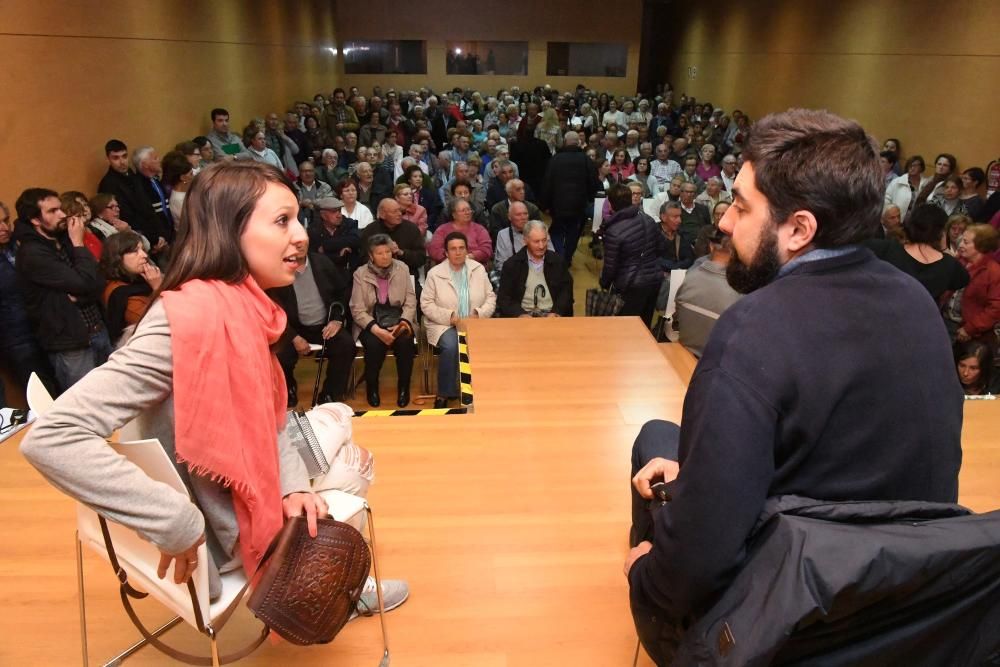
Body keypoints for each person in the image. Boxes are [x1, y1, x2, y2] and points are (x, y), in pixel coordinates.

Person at [625, 109, 962, 664]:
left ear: (800, 229)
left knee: (652, 444)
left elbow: (701, 558)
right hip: (903, 604)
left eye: (741, 205)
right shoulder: (916, 303)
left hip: (783, 622)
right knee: (667, 440)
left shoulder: (751, 332)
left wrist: (644, 576)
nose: (726, 223)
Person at [21, 161, 407, 614]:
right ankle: (315, 582)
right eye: (281, 221)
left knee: (336, 436)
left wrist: (292, 487)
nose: (301, 235)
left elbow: (271, 418)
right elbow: (50, 439)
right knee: (349, 446)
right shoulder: (183, 321)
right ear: (229, 231)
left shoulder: (236, 304)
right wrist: (174, 521)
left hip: (235, 490)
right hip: (220, 526)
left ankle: (322, 574)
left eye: (297, 220)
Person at [15, 188, 111, 391]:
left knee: (117, 394)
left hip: (98, 330)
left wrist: (83, 297)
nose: (62, 215)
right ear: (35, 220)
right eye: (53, 211)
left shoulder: (63, 239)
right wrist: (78, 243)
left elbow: (99, 279)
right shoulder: (32, 254)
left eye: (60, 209)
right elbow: (83, 283)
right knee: (87, 406)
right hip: (71, 345)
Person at [420, 232, 496, 408]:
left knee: (488, 344)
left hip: (475, 322)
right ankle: (445, 393)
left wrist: (479, 314)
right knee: (452, 345)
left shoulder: (478, 269)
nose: (458, 252)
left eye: (462, 248)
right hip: (444, 325)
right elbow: (426, 304)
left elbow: (490, 297)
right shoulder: (435, 274)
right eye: (453, 249)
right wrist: (450, 317)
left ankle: (484, 392)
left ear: (467, 250)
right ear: (446, 253)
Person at [271, 250, 355, 406]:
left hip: (324, 324)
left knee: (345, 345)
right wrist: (293, 337)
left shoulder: (322, 263)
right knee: (280, 353)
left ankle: (330, 393)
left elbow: (343, 290)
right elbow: (273, 308)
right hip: (292, 327)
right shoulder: (277, 269)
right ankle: (288, 387)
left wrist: (337, 319)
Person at [350, 234, 417, 408]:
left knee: (405, 343)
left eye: (388, 251)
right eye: (380, 253)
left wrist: (403, 323)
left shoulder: (402, 268)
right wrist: (377, 330)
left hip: (399, 320)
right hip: (371, 322)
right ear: (371, 256)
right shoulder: (360, 273)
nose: (385, 256)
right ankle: (372, 387)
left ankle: (404, 387)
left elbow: (410, 301)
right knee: (374, 345)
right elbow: (357, 309)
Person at [0, 200, 58, 397]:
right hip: (17, 339)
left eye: (5, 220)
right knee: (44, 395)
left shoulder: (18, 246)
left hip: (45, 328)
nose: (3, 228)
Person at [866, 204, 968, 303]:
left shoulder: (887, 248)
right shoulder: (949, 265)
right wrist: (945, 249)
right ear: (941, 232)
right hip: (923, 317)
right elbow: (962, 280)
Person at [599, 183, 667, 327]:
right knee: (644, 326)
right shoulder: (647, 219)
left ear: (610, 204)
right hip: (654, 280)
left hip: (630, 285)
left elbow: (610, 266)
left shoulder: (613, 230)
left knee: (626, 329)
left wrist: (604, 284)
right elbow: (662, 247)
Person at [674, 228, 743, 357]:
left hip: (684, 353)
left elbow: (677, 318)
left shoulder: (690, 277)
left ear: (711, 247)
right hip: (715, 363)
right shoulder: (740, 291)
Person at [540, 131, 599, 263]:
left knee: (556, 231)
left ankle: (560, 256)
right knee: (573, 232)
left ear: (565, 142)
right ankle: (566, 258)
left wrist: (544, 205)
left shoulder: (555, 159)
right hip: (579, 204)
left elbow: (547, 183)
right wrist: (589, 199)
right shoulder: (586, 159)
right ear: (578, 142)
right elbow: (593, 182)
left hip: (558, 204)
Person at [497, 220, 573, 317]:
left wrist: (556, 312)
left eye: (544, 240)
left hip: (551, 314)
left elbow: (566, 292)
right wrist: (519, 314)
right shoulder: (512, 265)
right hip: (523, 316)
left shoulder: (558, 262)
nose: (541, 246)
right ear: (525, 241)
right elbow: (504, 298)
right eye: (536, 241)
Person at [99, 231, 161, 346]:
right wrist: (158, 288)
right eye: (135, 251)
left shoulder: (140, 279)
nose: (144, 255)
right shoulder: (120, 293)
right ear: (118, 258)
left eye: (142, 249)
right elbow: (156, 321)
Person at [955, 224, 1000, 346]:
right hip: (943, 321)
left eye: (965, 242)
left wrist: (970, 328)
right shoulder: (958, 261)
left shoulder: (994, 272)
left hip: (968, 332)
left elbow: (995, 309)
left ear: (981, 246)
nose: (960, 245)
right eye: (961, 240)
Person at [360, 198, 427, 276]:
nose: (399, 214)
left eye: (399, 210)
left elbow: (421, 259)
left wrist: (401, 253)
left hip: (407, 276)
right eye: (395, 211)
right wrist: (380, 255)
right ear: (382, 214)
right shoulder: (370, 230)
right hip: (376, 277)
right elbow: (363, 259)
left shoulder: (411, 229)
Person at [493, 202, 554, 273]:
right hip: (514, 276)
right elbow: (501, 265)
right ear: (509, 217)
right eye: (518, 214)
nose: (523, 217)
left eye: (525, 214)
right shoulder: (503, 234)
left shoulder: (540, 231)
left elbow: (552, 256)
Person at [429, 199, 492, 265]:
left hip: (474, 265)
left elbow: (487, 250)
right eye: (463, 210)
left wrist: (468, 257)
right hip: (447, 266)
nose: (467, 212)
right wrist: (453, 258)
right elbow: (434, 250)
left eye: (469, 210)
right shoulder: (442, 230)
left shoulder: (480, 229)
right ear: (454, 214)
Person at [309, 196, 361, 273]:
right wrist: (338, 255)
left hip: (348, 273)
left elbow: (355, 240)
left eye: (339, 211)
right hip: (324, 273)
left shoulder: (349, 224)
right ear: (323, 215)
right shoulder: (313, 230)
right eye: (334, 212)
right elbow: (314, 257)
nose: (339, 215)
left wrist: (325, 246)